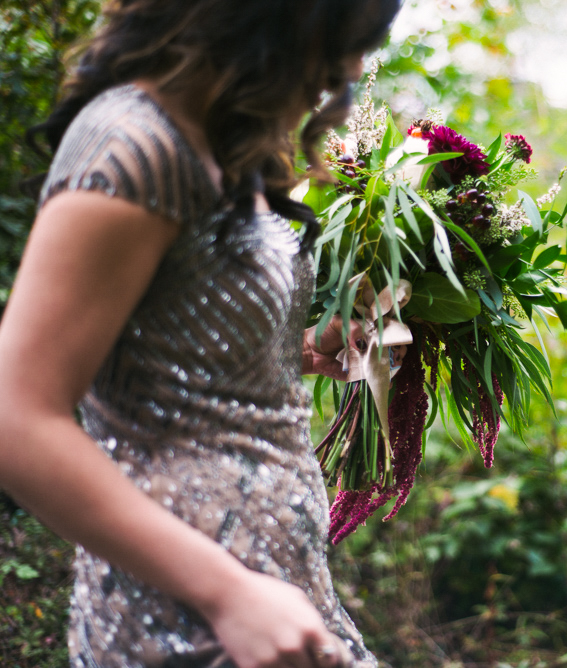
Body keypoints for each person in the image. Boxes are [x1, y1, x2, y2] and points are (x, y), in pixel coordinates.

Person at [0, 0, 401, 666]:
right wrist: (226, 593)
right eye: (349, 38)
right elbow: (15, 416)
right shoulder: (134, 144)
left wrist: (308, 349)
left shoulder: (225, 148)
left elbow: (180, 367)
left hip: (272, 600)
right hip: (181, 622)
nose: (353, 67)